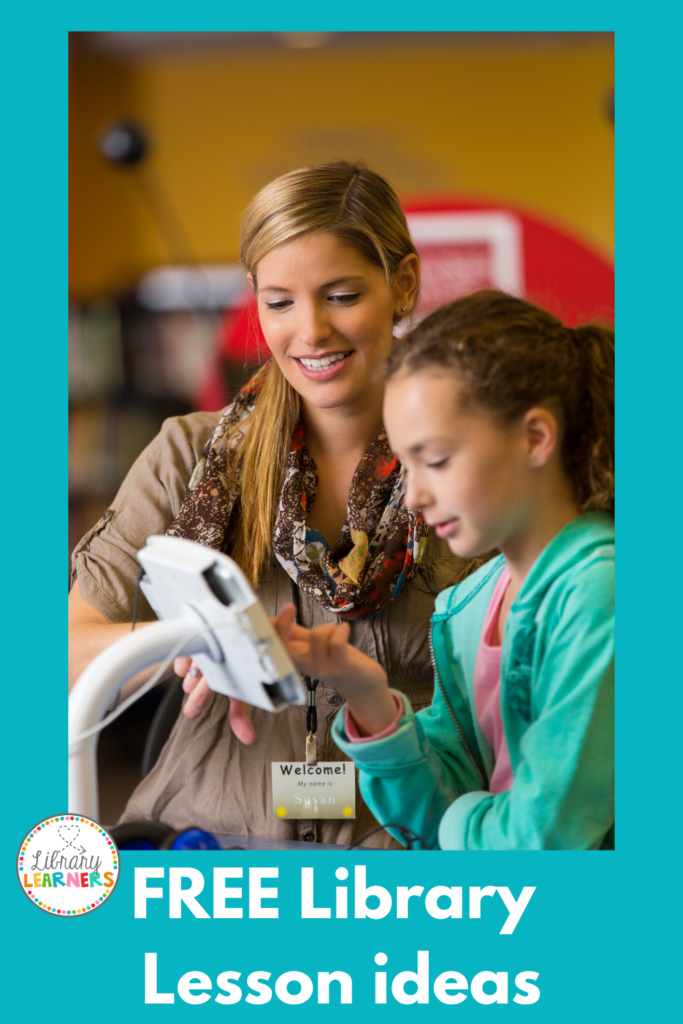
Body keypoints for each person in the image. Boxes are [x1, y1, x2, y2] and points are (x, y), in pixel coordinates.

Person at [69, 160, 483, 846]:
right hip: (207, 846)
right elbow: (65, 653)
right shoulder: (188, 457)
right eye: (279, 301)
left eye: (342, 294)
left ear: (403, 283)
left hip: (409, 851)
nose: (310, 331)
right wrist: (210, 643)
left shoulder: (472, 457)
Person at [273, 290, 614, 850]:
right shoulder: (470, 603)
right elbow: (433, 816)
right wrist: (370, 701)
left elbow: (539, 845)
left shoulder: (601, 593)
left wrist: (463, 819)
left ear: (535, 438)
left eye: (435, 461)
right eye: (406, 467)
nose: (413, 498)